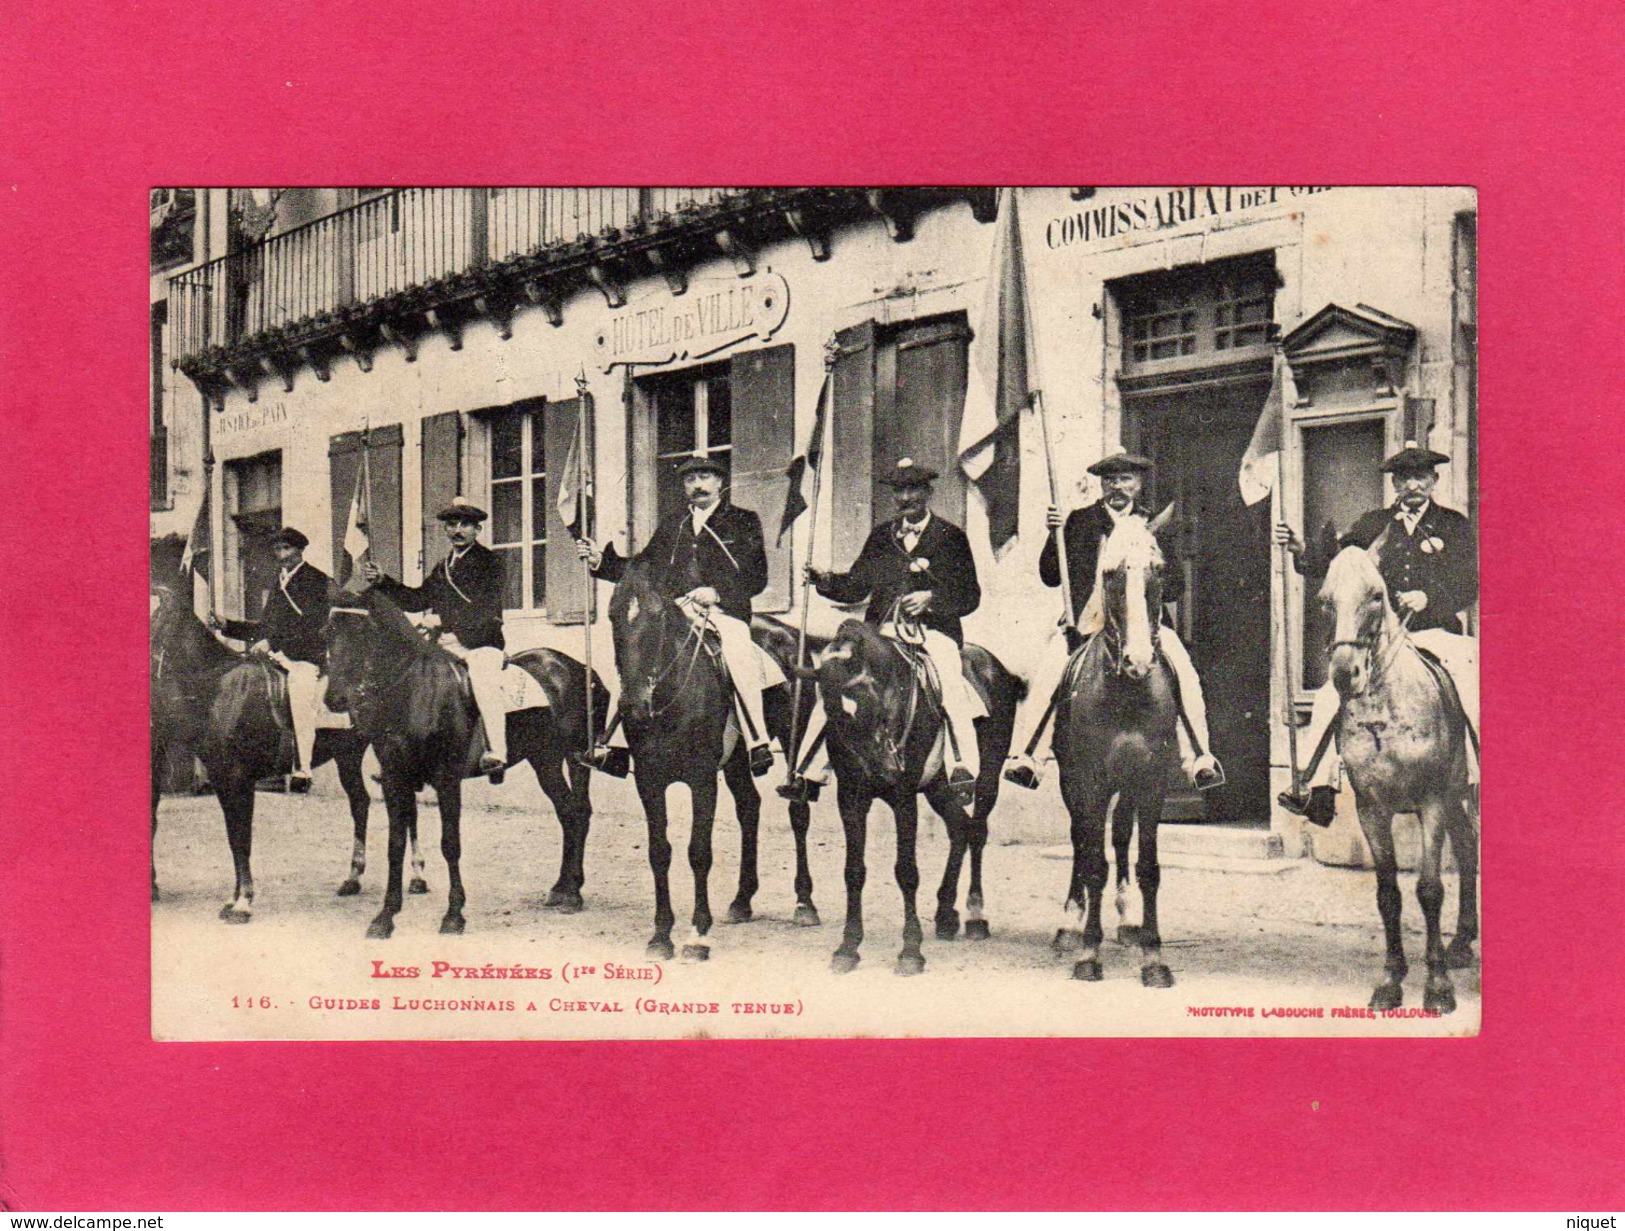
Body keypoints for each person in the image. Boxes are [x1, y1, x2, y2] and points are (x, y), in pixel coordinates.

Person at [1274, 440, 1479, 825]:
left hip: (1434, 633)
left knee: (1472, 682)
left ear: (1433, 480)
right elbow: (1338, 565)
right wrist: (1303, 550)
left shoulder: (1454, 524)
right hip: (1382, 644)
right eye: (1403, 479)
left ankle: (1479, 776)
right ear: (1395, 485)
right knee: (1326, 699)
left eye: (1420, 477)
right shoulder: (1372, 525)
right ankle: (1315, 788)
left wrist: (1430, 597)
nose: (1412, 486)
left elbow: (1469, 582)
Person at [1002, 452, 1222, 790]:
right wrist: (1053, 534)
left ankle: (1199, 758)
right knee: (1048, 672)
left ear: (1139, 484)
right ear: (1102, 485)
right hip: (1086, 625)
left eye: (1125, 479)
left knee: (1184, 673)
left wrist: (1154, 569)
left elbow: (1175, 587)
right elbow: (1049, 576)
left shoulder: (1155, 526)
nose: (1117, 486)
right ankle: (1030, 757)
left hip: (1144, 626)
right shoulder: (1078, 521)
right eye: (1110, 480)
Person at [783, 458, 985, 807]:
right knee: (833, 679)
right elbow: (856, 587)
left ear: (928, 492)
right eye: (899, 491)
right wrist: (825, 580)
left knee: (949, 681)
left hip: (932, 633)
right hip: (883, 632)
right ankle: (808, 772)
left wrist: (932, 599)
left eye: (913, 489)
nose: (906, 497)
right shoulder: (882, 537)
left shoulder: (951, 537)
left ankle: (962, 767)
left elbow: (970, 595)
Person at [575, 453, 779, 776]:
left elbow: (757, 576)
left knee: (738, 652)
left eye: (704, 477)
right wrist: (603, 561)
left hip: (722, 611)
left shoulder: (743, 520)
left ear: (720, 482)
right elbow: (643, 566)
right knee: (633, 657)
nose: (697, 485)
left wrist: (717, 592)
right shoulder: (675, 523)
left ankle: (758, 742)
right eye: (689, 479)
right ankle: (615, 745)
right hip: (676, 610)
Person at [363, 496, 510, 781]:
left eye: (465, 525)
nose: (457, 530)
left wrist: (443, 620)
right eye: (452, 524)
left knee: (484, 680)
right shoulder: (443, 568)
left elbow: (486, 607)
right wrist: (384, 581)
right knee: (404, 676)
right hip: (444, 642)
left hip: (480, 641)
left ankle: (497, 753)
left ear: (477, 530)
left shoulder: (490, 562)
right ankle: (402, 758)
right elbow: (417, 599)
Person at [210, 526, 331, 792]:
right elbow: (265, 628)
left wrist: (272, 643)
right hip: (277, 655)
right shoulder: (279, 582)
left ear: (300, 550)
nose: (282, 554)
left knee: (300, 696)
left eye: (286, 548)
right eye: (277, 549)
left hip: (305, 656)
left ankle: (304, 768)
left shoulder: (316, 579)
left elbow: (313, 626)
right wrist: (227, 626)